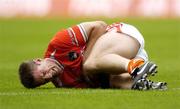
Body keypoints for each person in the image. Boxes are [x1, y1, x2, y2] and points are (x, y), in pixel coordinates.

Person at [18, 21, 167, 90]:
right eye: (45, 81)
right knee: (114, 83)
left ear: (38, 61)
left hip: (124, 38)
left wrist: (87, 58)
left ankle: (134, 68)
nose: (49, 76)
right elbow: (98, 84)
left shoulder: (59, 43)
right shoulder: (63, 83)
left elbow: (99, 26)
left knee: (89, 65)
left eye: (44, 72)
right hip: (128, 58)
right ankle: (143, 84)